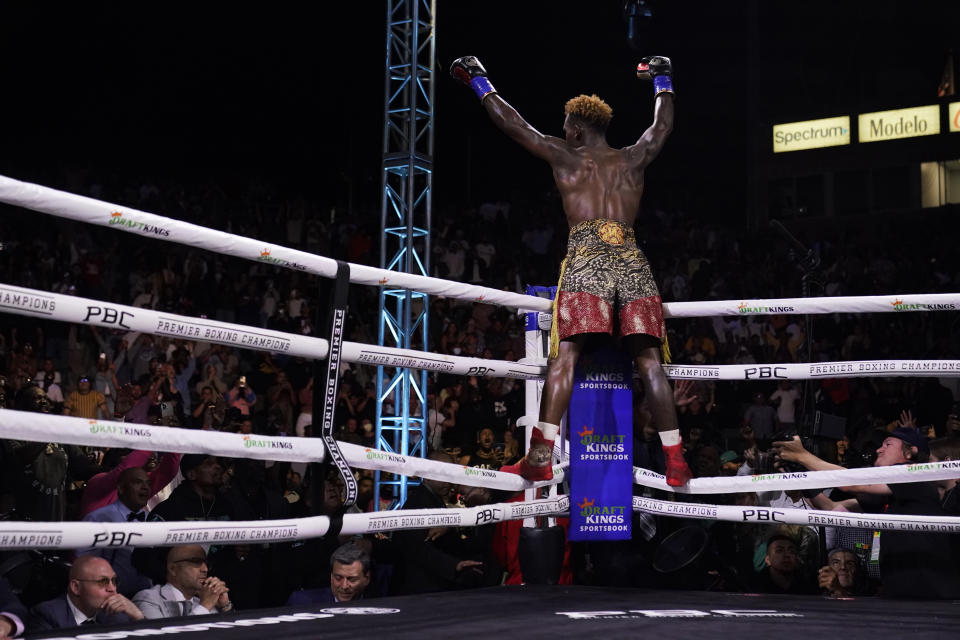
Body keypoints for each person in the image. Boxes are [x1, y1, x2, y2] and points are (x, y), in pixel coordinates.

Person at [451, 54, 692, 485]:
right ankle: (676, 460)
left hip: (586, 261)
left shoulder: (566, 155)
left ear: (577, 129)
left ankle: (540, 454)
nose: (562, 130)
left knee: (564, 358)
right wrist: (662, 79)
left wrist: (479, 80)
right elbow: (663, 127)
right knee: (651, 362)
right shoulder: (633, 159)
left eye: (566, 125)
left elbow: (513, 124)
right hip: (633, 262)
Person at [78, 468, 156, 597]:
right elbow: (85, 564)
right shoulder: (99, 518)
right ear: (120, 488)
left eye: (148, 483)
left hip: (147, 597)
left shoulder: (152, 519)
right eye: (138, 482)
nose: (145, 487)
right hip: (108, 599)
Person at [28, 556, 144, 631]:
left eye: (114, 581)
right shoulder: (46, 616)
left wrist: (139, 618)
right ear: (76, 587)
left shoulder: (118, 616)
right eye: (103, 581)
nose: (112, 589)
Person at [133, 545, 232, 619]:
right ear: (173, 569)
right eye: (196, 562)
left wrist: (225, 607)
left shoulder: (204, 602)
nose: (205, 569)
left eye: (207, 563)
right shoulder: (147, 599)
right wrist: (205, 606)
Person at [286, 542, 373, 606]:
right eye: (338, 578)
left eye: (352, 579)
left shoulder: (381, 601)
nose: (344, 586)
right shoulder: (301, 603)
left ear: (367, 578)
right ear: (331, 577)